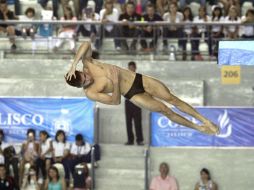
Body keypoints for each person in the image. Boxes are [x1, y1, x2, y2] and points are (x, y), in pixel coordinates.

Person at [65, 41, 219, 135]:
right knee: (166, 111)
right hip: (132, 94)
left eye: (84, 76)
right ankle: (197, 128)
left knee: (173, 99)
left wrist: (73, 63)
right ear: (81, 87)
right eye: (85, 81)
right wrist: (116, 83)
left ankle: (205, 121)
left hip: (138, 79)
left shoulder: (88, 63)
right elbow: (115, 101)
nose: (88, 78)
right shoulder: (90, 93)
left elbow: (86, 43)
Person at [124, 61, 144, 146]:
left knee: (138, 122)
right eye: (129, 68)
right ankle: (130, 140)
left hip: (137, 102)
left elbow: (142, 91)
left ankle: (139, 140)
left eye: (132, 68)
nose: (131, 70)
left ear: (135, 68)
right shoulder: (125, 78)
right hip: (128, 102)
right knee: (128, 122)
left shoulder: (139, 78)